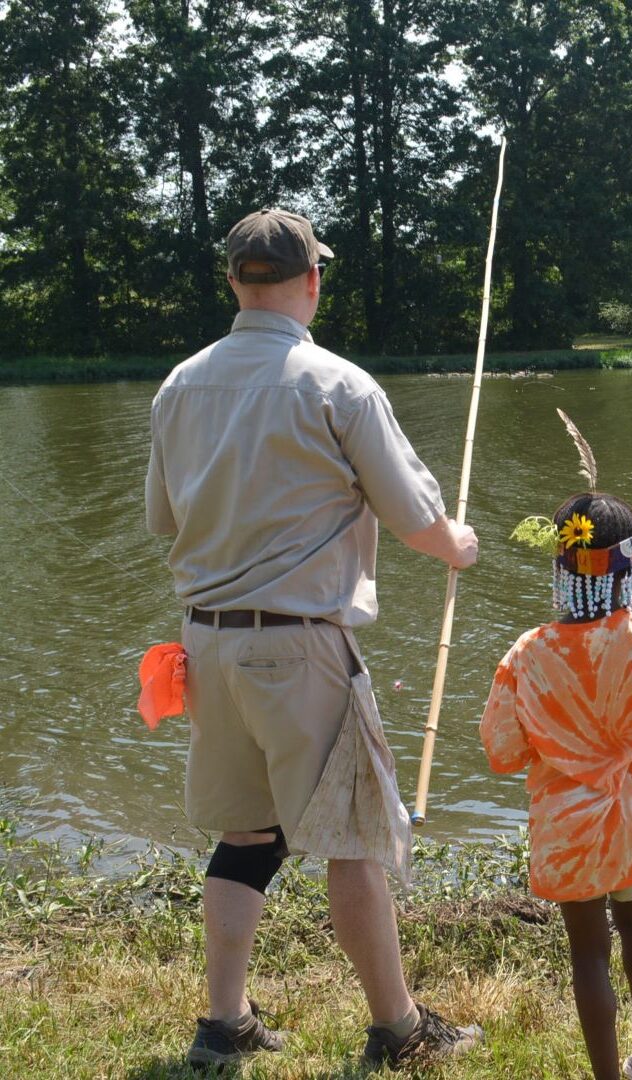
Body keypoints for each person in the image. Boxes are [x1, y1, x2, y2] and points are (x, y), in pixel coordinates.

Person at [145, 208, 483, 1070]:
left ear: (234, 280)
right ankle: (400, 1031)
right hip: (299, 651)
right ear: (313, 281)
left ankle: (224, 1024)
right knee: (354, 837)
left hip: (207, 647)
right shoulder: (340, 385)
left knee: (244, 836)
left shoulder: (178, 385)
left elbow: (162, 519)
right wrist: (459, 545)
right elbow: (417, 521)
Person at [480, 490, 632, 1080]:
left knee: (588, 952)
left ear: (561, 566)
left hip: (568, 828)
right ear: (628, 567)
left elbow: (503, 753)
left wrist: (561, 744)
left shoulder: (528, 653)